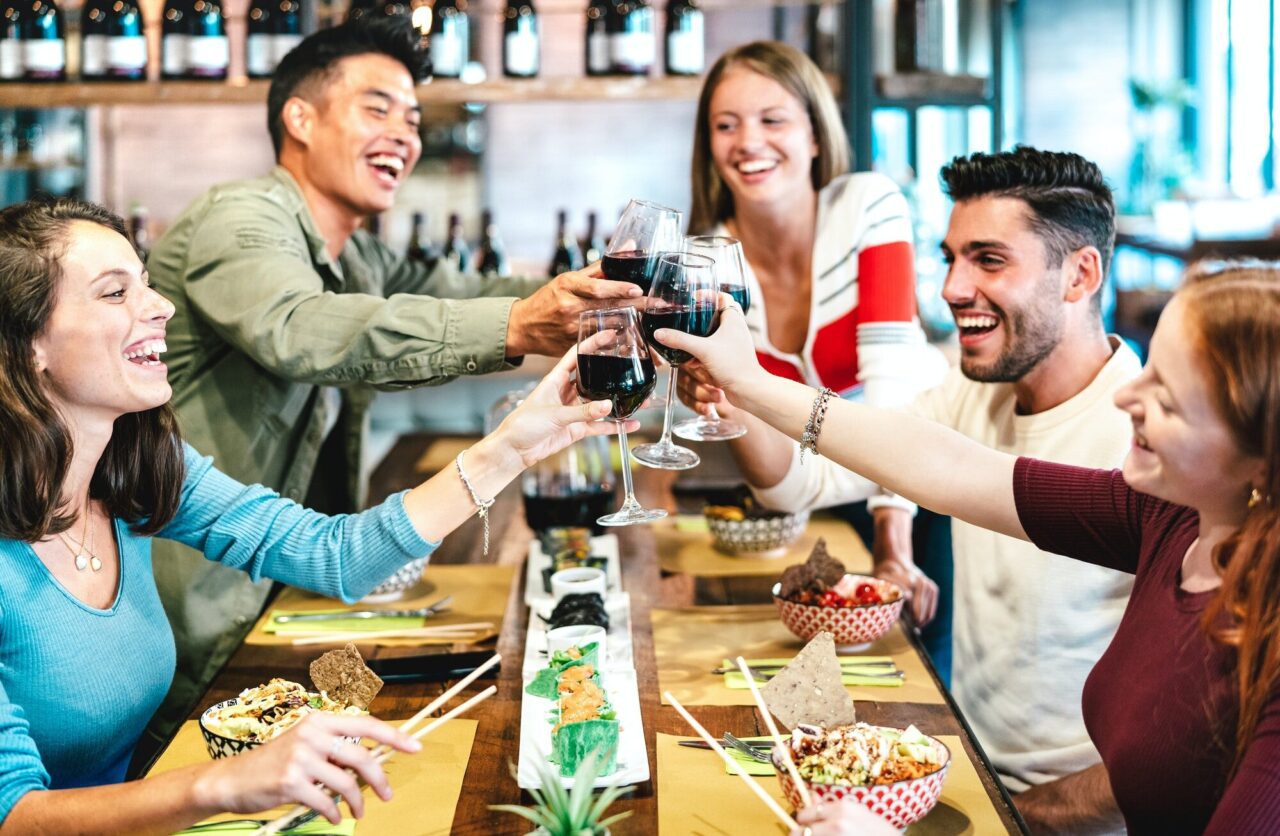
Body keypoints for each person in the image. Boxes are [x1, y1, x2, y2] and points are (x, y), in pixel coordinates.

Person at [0, 197, 632, 832]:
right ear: (29, 346)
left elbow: (333, 555)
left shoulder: (141, 468)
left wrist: (514, 447)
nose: (160, 307)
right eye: (115, 293)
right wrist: (223, 781)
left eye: (147, 282)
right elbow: (14, 815)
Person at [142, 16, 644, 755]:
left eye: (412, 118)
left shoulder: (361, 255)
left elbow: (483, 288)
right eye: (377, 108)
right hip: (200, 623)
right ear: (300, 117)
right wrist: (518, 325)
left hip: (295, 587)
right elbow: (303, 327)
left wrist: (612, 299)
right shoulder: (238, 219)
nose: (405, 135)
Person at [660, 259, 1280, 833]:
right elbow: (944, 468)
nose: (1126, 398)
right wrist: (747, 383)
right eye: (1145, 371)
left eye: (1165, 398)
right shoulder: (1171, 516)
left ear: (1260, 457)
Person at [685, 148, 1139, 831]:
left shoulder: (1149, 445)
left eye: (988, 260)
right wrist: (733, 398)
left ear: (1080, 274)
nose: (952, 288)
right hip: (962, 769)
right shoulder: (969, 394)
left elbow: (1198, 748)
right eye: (951, 258)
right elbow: (802, 481)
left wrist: (1014, 816)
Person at [686, 39, 949, 671]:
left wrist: (893, 542)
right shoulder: (707, 262)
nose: (748, 141)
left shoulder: (868, 205)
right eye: (727, 125)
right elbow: (783, 487)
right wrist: (730, 401)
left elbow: (890, 388)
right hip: (803, 497)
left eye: (772, 119)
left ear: (813, 136)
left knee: (915, 676)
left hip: (911, 486)